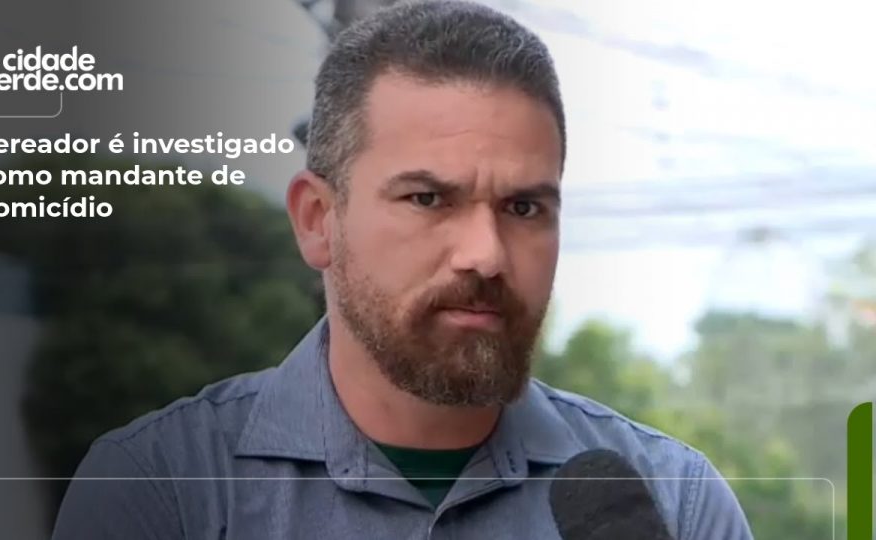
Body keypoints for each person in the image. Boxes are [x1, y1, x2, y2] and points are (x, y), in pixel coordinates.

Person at [52, 1, 754, 538]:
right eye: (427, 199)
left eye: (523, 207)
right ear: (317, 219)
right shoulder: (164, 489)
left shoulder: (674, 502)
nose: (486, 253)